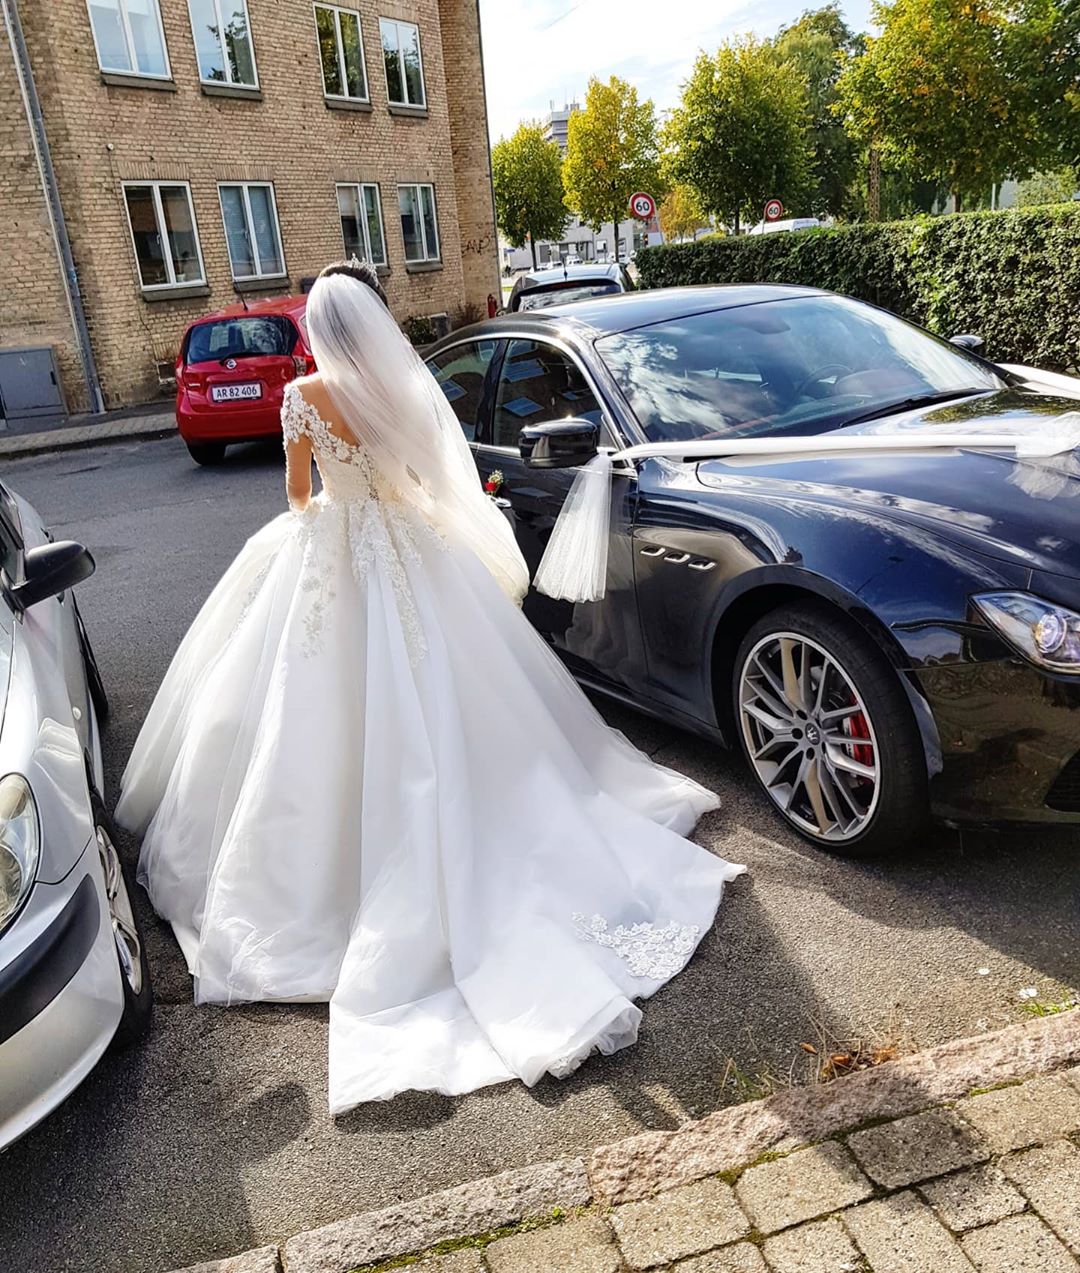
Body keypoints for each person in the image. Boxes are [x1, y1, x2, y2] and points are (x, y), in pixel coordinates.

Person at [115, 259, 745, 1114]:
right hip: (411, 553)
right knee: (459, 697)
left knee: (302, 716)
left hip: (332, 559)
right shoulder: (402, 393)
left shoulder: (304, 397)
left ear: (318, 332)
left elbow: (301, 497)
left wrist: (332, 504)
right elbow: (420, 481)